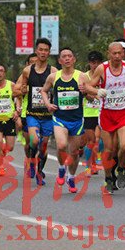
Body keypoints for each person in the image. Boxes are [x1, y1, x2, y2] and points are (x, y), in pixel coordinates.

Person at [89, 42, 125, 194]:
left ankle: (121, 168)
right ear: (109, 54)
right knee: (109, 150)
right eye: (114, 53)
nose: (117, 56)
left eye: (120, 53)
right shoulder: (102, 68)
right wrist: (97, 91)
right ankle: (108, 178)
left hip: (124, 112)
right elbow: (89, 86)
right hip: (107, 114)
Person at [41, 47, 87, 193]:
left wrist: (86, 92)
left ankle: (71, 177)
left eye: (69, 56)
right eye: (64, 56)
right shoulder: (53, 77)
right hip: (60, 118)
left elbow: (92, 96)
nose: (67, 58)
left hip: (77, 119)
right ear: (60, 60)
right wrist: (48, 104)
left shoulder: (82, 76)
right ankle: (61, 168)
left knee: (74, 152)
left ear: (74, 59)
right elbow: (43, 90)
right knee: (61, 146)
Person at [17, 38, 57, 186]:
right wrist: (23, 90)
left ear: (49, 52)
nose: (43, 52)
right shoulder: (27, 71)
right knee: (34, 141)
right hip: (32, 114)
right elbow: (21, 89)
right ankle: (32, 161)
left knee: (44, 147)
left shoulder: (53, 71)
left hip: (47, 115)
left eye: (46, 50)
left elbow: (58, 89)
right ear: (36, 51)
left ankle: (40, 171)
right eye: (40, 49)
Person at [0, 64, 20, 176]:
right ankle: (1, 166)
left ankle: (1, 153)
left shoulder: (11, 85)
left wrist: (17, 110)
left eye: (1, 71)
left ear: (4, 73)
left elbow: (18, 97)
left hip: (9, 118)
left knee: (10, 147)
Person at [14, 54, 38, 174]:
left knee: (39, 142)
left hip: (44, 113)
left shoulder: (48, 73)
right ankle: (29, 160)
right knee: (29, 143)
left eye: (36, 62)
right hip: (27, 113)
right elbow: (14, 92)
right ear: (27, 64)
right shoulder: (24, 76)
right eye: (31, 62)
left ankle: (37, 164)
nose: (34, 64)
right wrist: (27, 90)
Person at [81, 51, 103, 175]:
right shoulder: (84, 76)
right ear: (89, 63)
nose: (95, 65)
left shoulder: (105, 75)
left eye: (98, 63)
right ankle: (89, 165)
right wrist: (89, 95)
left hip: (102, 112)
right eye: (93, 62)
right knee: (91, 140)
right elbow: (83, 92)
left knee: (98, 140)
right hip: (89, 113)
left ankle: (95, 162)